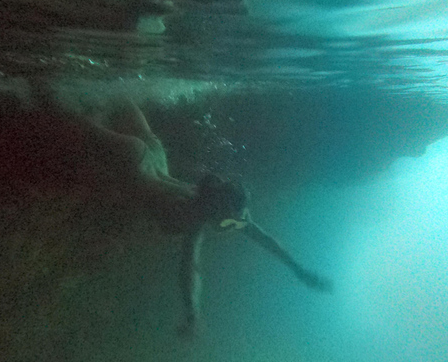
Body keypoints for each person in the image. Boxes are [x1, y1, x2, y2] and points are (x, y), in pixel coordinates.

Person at [34, 85, 332, 338]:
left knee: (113, 94)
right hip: (136, 162)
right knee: (71, 119)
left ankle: (64, 83)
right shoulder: (198, 219)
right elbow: (191, 268)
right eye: (232, 217)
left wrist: (298, 269)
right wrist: (192, 313)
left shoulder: (219, 211)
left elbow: (264, 238)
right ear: (219, 209)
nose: (234, 224)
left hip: (152, 153)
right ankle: (40, 86)